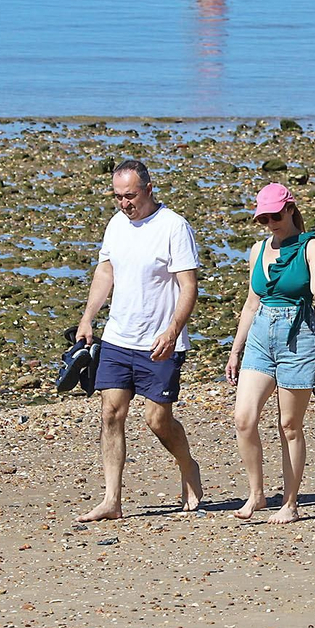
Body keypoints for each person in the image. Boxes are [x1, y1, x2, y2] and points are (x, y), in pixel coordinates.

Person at [74, 159, 203, 522]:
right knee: (111, 413)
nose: (124, 204)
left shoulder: (174, 227)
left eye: (130, 196)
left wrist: (173, 330)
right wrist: (88, 317)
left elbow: (188, 286)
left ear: (149, 189)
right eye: (117, 197)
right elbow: (106, 270)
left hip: (160, 342)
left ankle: (187, 465)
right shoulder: (116, 224)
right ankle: (111, 500)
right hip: (118, 337)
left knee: (157, 420)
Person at [224, 183, 315, 524]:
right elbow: (251, 302)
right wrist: (235, 349)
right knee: (243, 419)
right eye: (264, 218)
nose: (271, 223)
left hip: (298, 336)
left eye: (275, 215)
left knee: (289, 425)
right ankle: (256, 495)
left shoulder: (310, 246)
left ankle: (290, 502)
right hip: (261, 335)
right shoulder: (258, 251)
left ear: (290, 210)